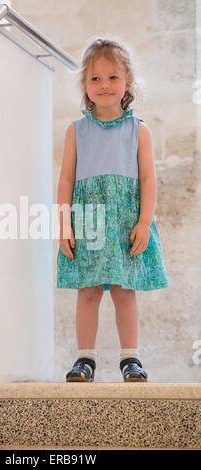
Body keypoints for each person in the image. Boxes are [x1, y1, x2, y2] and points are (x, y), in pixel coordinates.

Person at [56, 37, 170, 383]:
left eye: (112, 78)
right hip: (88, 221)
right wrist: (65, 225)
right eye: (95, 78)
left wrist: (144, 222)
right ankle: (85, 359)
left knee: (124, 290)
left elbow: (148, 180)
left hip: (125, 222)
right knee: (88, 290)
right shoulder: (76, 131)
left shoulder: (139, 131)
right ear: (84, 86)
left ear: (128, 83)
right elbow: (66, 181)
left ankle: (130, 359)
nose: (104, 85)